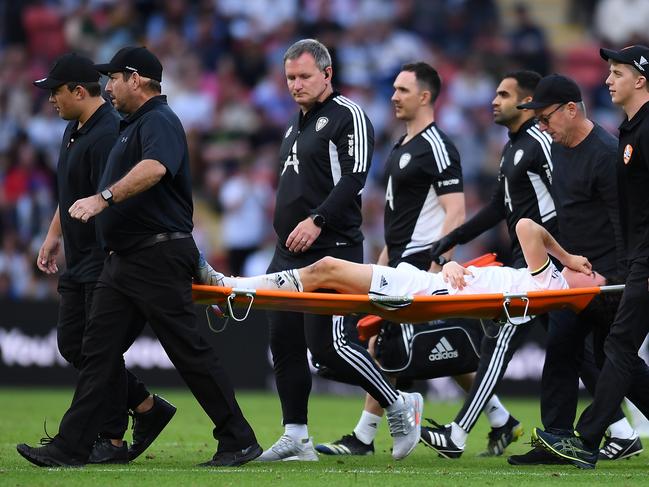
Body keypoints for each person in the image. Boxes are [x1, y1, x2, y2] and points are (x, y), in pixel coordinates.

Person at [16, 46, 260, 468]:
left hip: (157, 254)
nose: (107, 87)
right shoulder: (132, 125)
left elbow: (157, 168)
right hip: (125, 258)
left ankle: (237, 438)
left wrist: (103, 198)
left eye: (113, 78)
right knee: (96, 351)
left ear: (136, 79)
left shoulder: (160, 121)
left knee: (188, 351)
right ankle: (73, 446)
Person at [313, 62, 514, 457]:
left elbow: (455, 212)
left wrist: (440, 265)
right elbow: (397, 219)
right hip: (401, 261)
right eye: (393, 89)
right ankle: (501, 418)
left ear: (424, 96)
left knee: (381, 347)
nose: (393, 96)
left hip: (423, 265)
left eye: (403, 90)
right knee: (442, 351)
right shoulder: (401, 147)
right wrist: (386, 260)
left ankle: (364, 436)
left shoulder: (438, 146)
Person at [256, 38, 422, 462]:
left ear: (327, 74)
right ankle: (296, 436)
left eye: (304, 76)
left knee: (331, 347)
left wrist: (316, 221)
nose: (296, 84)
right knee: (285, 341)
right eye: (290, 77)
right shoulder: (296, 123)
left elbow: (355, 178)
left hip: (334, 247)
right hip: (289, 251)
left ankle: (398, 401)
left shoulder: (348, 115)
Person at [33, 52, 175, 464]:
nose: (50, 101)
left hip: (104, 259)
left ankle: (111, 438)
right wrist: (52, 235)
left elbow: (111, 195)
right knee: (73, 344)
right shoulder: (74, 129)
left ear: (79, 91)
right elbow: (71, 192)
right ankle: (146, 407)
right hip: (77, 259)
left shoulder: (110, 131)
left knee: (98, 351)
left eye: (56, 92)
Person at [417, 70, 555, 458]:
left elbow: (566, 200)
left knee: (498, 340)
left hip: (543, 266)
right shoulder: (513, 147)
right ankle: (621, 428)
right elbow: (498, 206)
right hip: (526, 263)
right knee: (579, 353)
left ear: (526, 102)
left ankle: (459, 433)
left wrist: (566, 257)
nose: (494, 100)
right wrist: (454, 237)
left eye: (504, 94)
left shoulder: (542, 143)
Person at [509, 74, 641, 465]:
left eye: (545, 118)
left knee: (615, 360)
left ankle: (567, 438)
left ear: (571, 109)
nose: (541, 127)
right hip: (577, 274)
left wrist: (619, 278)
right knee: (564, 348)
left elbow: (626, 222)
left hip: (608, 279)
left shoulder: (605, 153)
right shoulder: (560, 148)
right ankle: (557, 438)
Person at [211, 218, 600, 301]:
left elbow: (526, 227)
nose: (588, 267)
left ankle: (231, 286)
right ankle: (233, 289)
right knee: (323, 277)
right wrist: (453, 265)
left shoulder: (550, 280)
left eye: (593, 273)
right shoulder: (541, 280)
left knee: (324, 269)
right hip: (432, 282)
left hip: (421, 288)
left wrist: (567, 256)